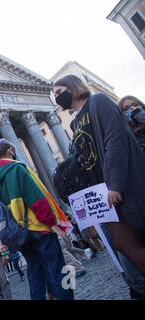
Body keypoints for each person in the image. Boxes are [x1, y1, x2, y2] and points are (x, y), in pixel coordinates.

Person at [53, 75, 145, 276]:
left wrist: (115, 184)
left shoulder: (98, 101)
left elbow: (115, 140)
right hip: (104, 193)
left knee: (126, 242)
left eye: (59, 91)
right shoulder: (75, 122)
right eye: (54, 95)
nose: (56, 97)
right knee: (123, 243)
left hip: (123, 185)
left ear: (73, 87)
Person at [0, 138, 74, 300]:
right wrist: (52, 223)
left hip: (20, 232)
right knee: (58, 271)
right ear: (10, 151)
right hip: (39, 227)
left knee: (35, 275)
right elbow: (36, 198)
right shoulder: (17, 169)